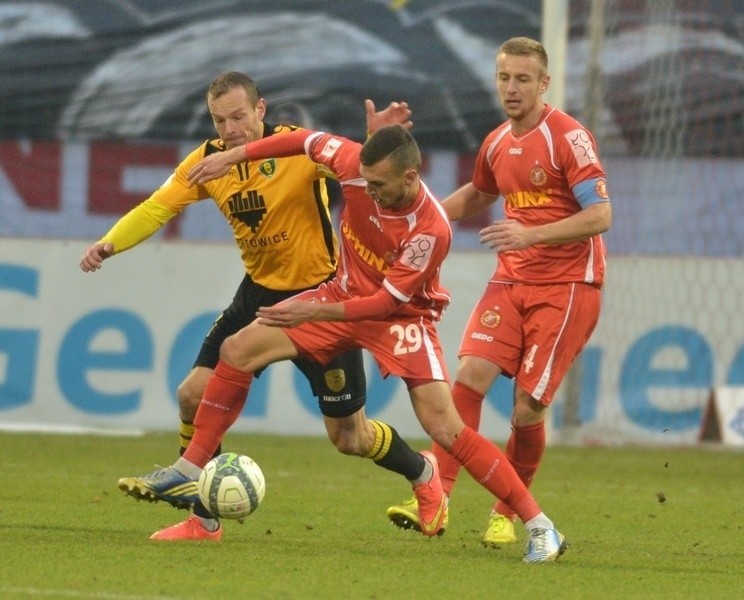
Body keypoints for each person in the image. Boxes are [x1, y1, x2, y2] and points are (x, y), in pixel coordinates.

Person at [129, 123, 569, 563]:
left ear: (410, 178)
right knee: (237, 350)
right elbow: (301, 141)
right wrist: (234, 156)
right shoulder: (352, 163)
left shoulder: (431, 229)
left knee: (446, 430)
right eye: (366, 181)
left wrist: (311, 310)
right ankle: (191, 472)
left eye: (379, 185)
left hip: (401, 319)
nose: (368, 191)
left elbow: (383, 303)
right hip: (340, 296)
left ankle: (540, 526)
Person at [80, 71, 436, 542]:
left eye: (238, 117)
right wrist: (110, 243)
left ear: (261, 110)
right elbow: (156, 207)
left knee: (350, 437)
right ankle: (203, 518)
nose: (229, 129)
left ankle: (424, 475)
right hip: (259, 295)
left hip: (321, 295)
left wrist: (373, 137)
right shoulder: (207, 162)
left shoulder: (294, 149)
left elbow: (359, 171)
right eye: (219, 120)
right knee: (192, 393)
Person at [386, 36, 612, 548]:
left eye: (523, 79)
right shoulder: (495, 142)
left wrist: (530, 234)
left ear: (544, 83)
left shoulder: (568, 138)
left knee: (527, 409)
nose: (511, 88)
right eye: (505, 78)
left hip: (569, 285)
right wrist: (428, 217)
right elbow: (481, 193)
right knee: (467, 378)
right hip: (512, 278)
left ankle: (506, 513)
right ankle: (437, 494)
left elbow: (601, 215)